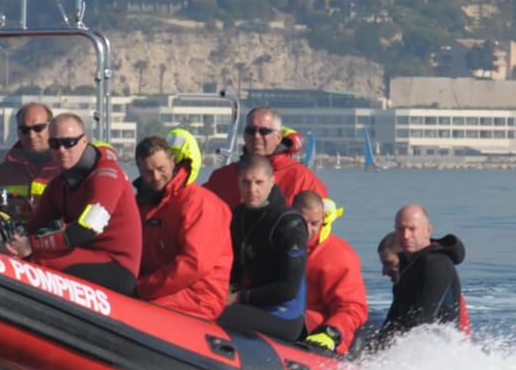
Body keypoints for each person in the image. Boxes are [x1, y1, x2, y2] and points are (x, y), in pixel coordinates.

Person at [2, 112, 142, 295]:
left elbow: (89, 228)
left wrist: (32, 245)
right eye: (54, 144)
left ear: (84, 142)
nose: (61, 150)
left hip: (116, 267)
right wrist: (15, 243)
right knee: (22, 254)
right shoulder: (59, 183)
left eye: (69, 143)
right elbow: (36, 225)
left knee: (36, 260)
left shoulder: (107, 176)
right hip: (86, 255)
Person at [133, 129, 232, 320]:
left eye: (161, 169)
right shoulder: (145, 204)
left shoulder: (200, 202)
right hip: (160, 289)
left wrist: (141, 287)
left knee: (134, 314)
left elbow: (194, 264)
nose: (156, 177)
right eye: (148, 172)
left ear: (173, 162)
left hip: (198, 297)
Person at [217, 154, 309, 341]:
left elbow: (289, 289)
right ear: (238, 182)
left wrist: (237, 299)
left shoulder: (289, 223)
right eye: (246, 182)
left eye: (259, 182)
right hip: (252, 305)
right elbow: (234, 270)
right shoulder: (239, 216)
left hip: (285, 314)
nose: (252, 190)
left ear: (271, 181)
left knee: (212, 315)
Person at [368, 203, 467, 348]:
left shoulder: (436, 263)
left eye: (412, 229)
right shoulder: (407, 266)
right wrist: (374, 350)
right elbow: (394, 319)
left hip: (440, 352)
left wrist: (386, 351)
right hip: (414, 348)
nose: (406, 235)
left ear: (428, 230)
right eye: (400, 229)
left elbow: (422, 320)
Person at [202, 105, 328, 208]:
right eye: (251, 131)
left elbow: (317, 227)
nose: (256, 136)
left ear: (278, 137)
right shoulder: (222, 177)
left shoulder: (303, 180)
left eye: (264, 131)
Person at [295, 192, 369, 355]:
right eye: (302, 221)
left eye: (314, 223)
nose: (308, 229)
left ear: (323, 220)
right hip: (281, 322)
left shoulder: (337, 255)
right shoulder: (277, 245)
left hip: (317, 334)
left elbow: (353, 307)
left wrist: (332, 333)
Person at [0, 102, 60, 215]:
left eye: (38, 128)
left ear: (51, 128)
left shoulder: (68, 170)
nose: (31, 135)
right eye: (24, 129)